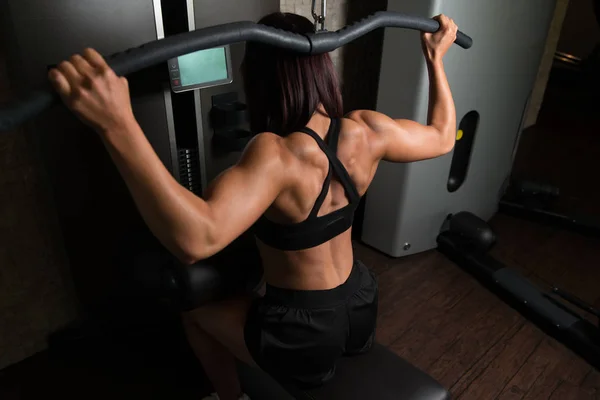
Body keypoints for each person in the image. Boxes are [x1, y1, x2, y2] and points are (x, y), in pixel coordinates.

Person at [48, 12, 458, 400]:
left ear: (259, 81)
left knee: (196, 318)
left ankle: (231, 397)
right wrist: (435, 58)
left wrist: (117, 123)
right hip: (362, 304)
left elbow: (196, 240)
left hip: (305, 335)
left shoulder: (276, 154)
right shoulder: (368, 129)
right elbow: (442, 137)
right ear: (322, 68)